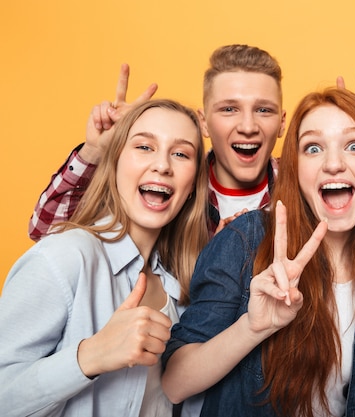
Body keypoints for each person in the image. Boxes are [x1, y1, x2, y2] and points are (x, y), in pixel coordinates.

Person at [161, 88, 355, 417]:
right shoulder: (246, 238)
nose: (335, 164)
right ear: (295, 168)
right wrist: (252, 328)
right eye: (314, 147)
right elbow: (174, 383)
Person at [28, 44, 355, 240]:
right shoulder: (170, 183)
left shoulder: (308, 180)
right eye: (229, 109)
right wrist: (96, 152)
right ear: (203, 122)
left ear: (282, 123)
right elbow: (46, 231)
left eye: (264, 110)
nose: (248, 126)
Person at [0, 99, 209, 417]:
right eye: (144, 147)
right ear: (114, 163)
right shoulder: (64, 258)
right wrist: (90, 356)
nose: (163, 165)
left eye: (181, 153)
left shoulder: (181, 289)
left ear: (193, 184)